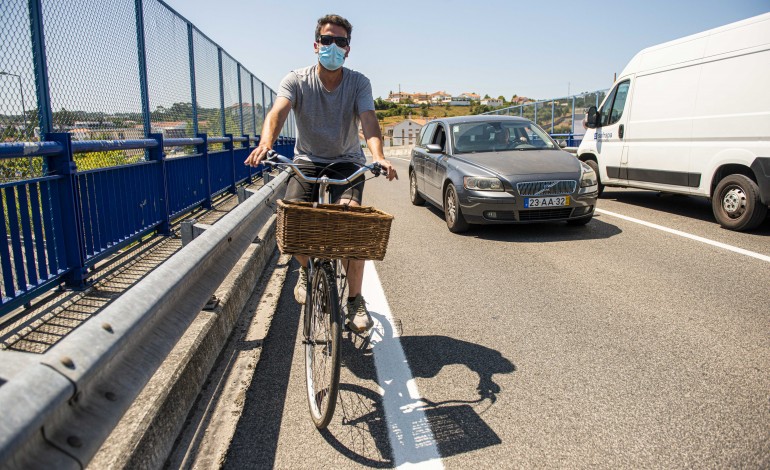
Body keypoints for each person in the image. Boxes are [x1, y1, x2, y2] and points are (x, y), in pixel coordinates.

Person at [244, 14, 397, 333]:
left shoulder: (358, 83)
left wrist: (378, 156)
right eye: (327, 40)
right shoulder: (296, 80)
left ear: (348, 49)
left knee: (353, 225)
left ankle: (354, 300)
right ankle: (306, 270)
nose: (333, 46)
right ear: (316, 45)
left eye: (340, 42)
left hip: (347, 161)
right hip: (307, 161)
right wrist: (265, 143)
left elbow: (368, 121)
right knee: (293, 222)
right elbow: (278, 112)